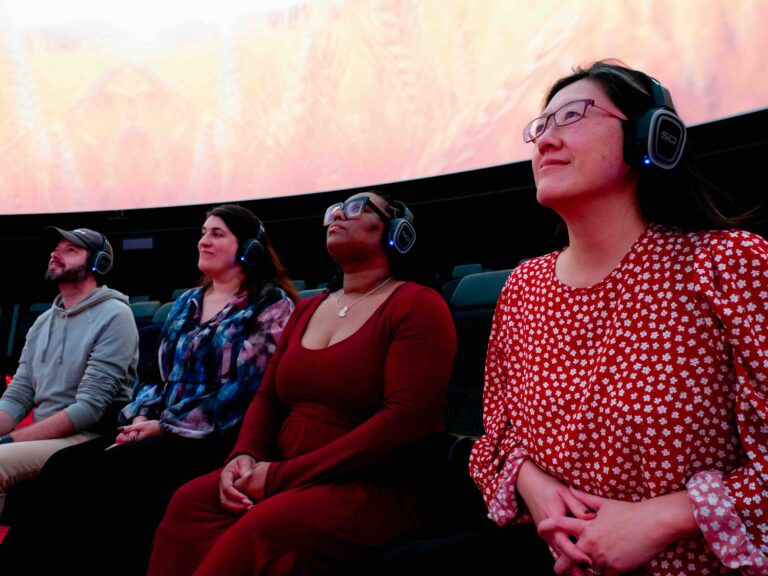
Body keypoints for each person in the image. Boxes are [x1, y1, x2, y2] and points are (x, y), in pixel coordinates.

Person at [469, 60, 768, 576]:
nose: (544, 141)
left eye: (573, 116)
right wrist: (531, 484)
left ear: (651, 137)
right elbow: (496, 434)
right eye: (540, 127)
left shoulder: (729, 265)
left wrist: (668, 517)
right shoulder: (522, 287)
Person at [147, 192, 457, 575]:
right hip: (285, 468)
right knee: (190, 502)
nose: (339, 214)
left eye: (359, 207)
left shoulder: (417, 304)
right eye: (335, 211)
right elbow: (268, 395)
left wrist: (278, 477)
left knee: (261, 530)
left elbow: (405, 421)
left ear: (398, 231)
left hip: (372, 482)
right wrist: (243, 456)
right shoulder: (308, 307)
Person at [0, 205, 297, 576]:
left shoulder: (271, 306)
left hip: (216, 433)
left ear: (250, 248)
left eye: (217, 234)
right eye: (203, 232)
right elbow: (155, 378)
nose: (204, 241)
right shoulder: (186, 303)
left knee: (112, 477)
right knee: (64, 467)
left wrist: (164, 426)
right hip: (159, 428)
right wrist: (141, 417)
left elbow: (245, 389)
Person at [0, 226, 137, 518]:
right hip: (45, 435)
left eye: (70, 250)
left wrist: (11, 440)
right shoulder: (41, 323)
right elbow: (18, 394)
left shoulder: (115, 315)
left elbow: (88, 410)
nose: (55, 254)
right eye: (55, 249)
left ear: (99, 263)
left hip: (88, 437)